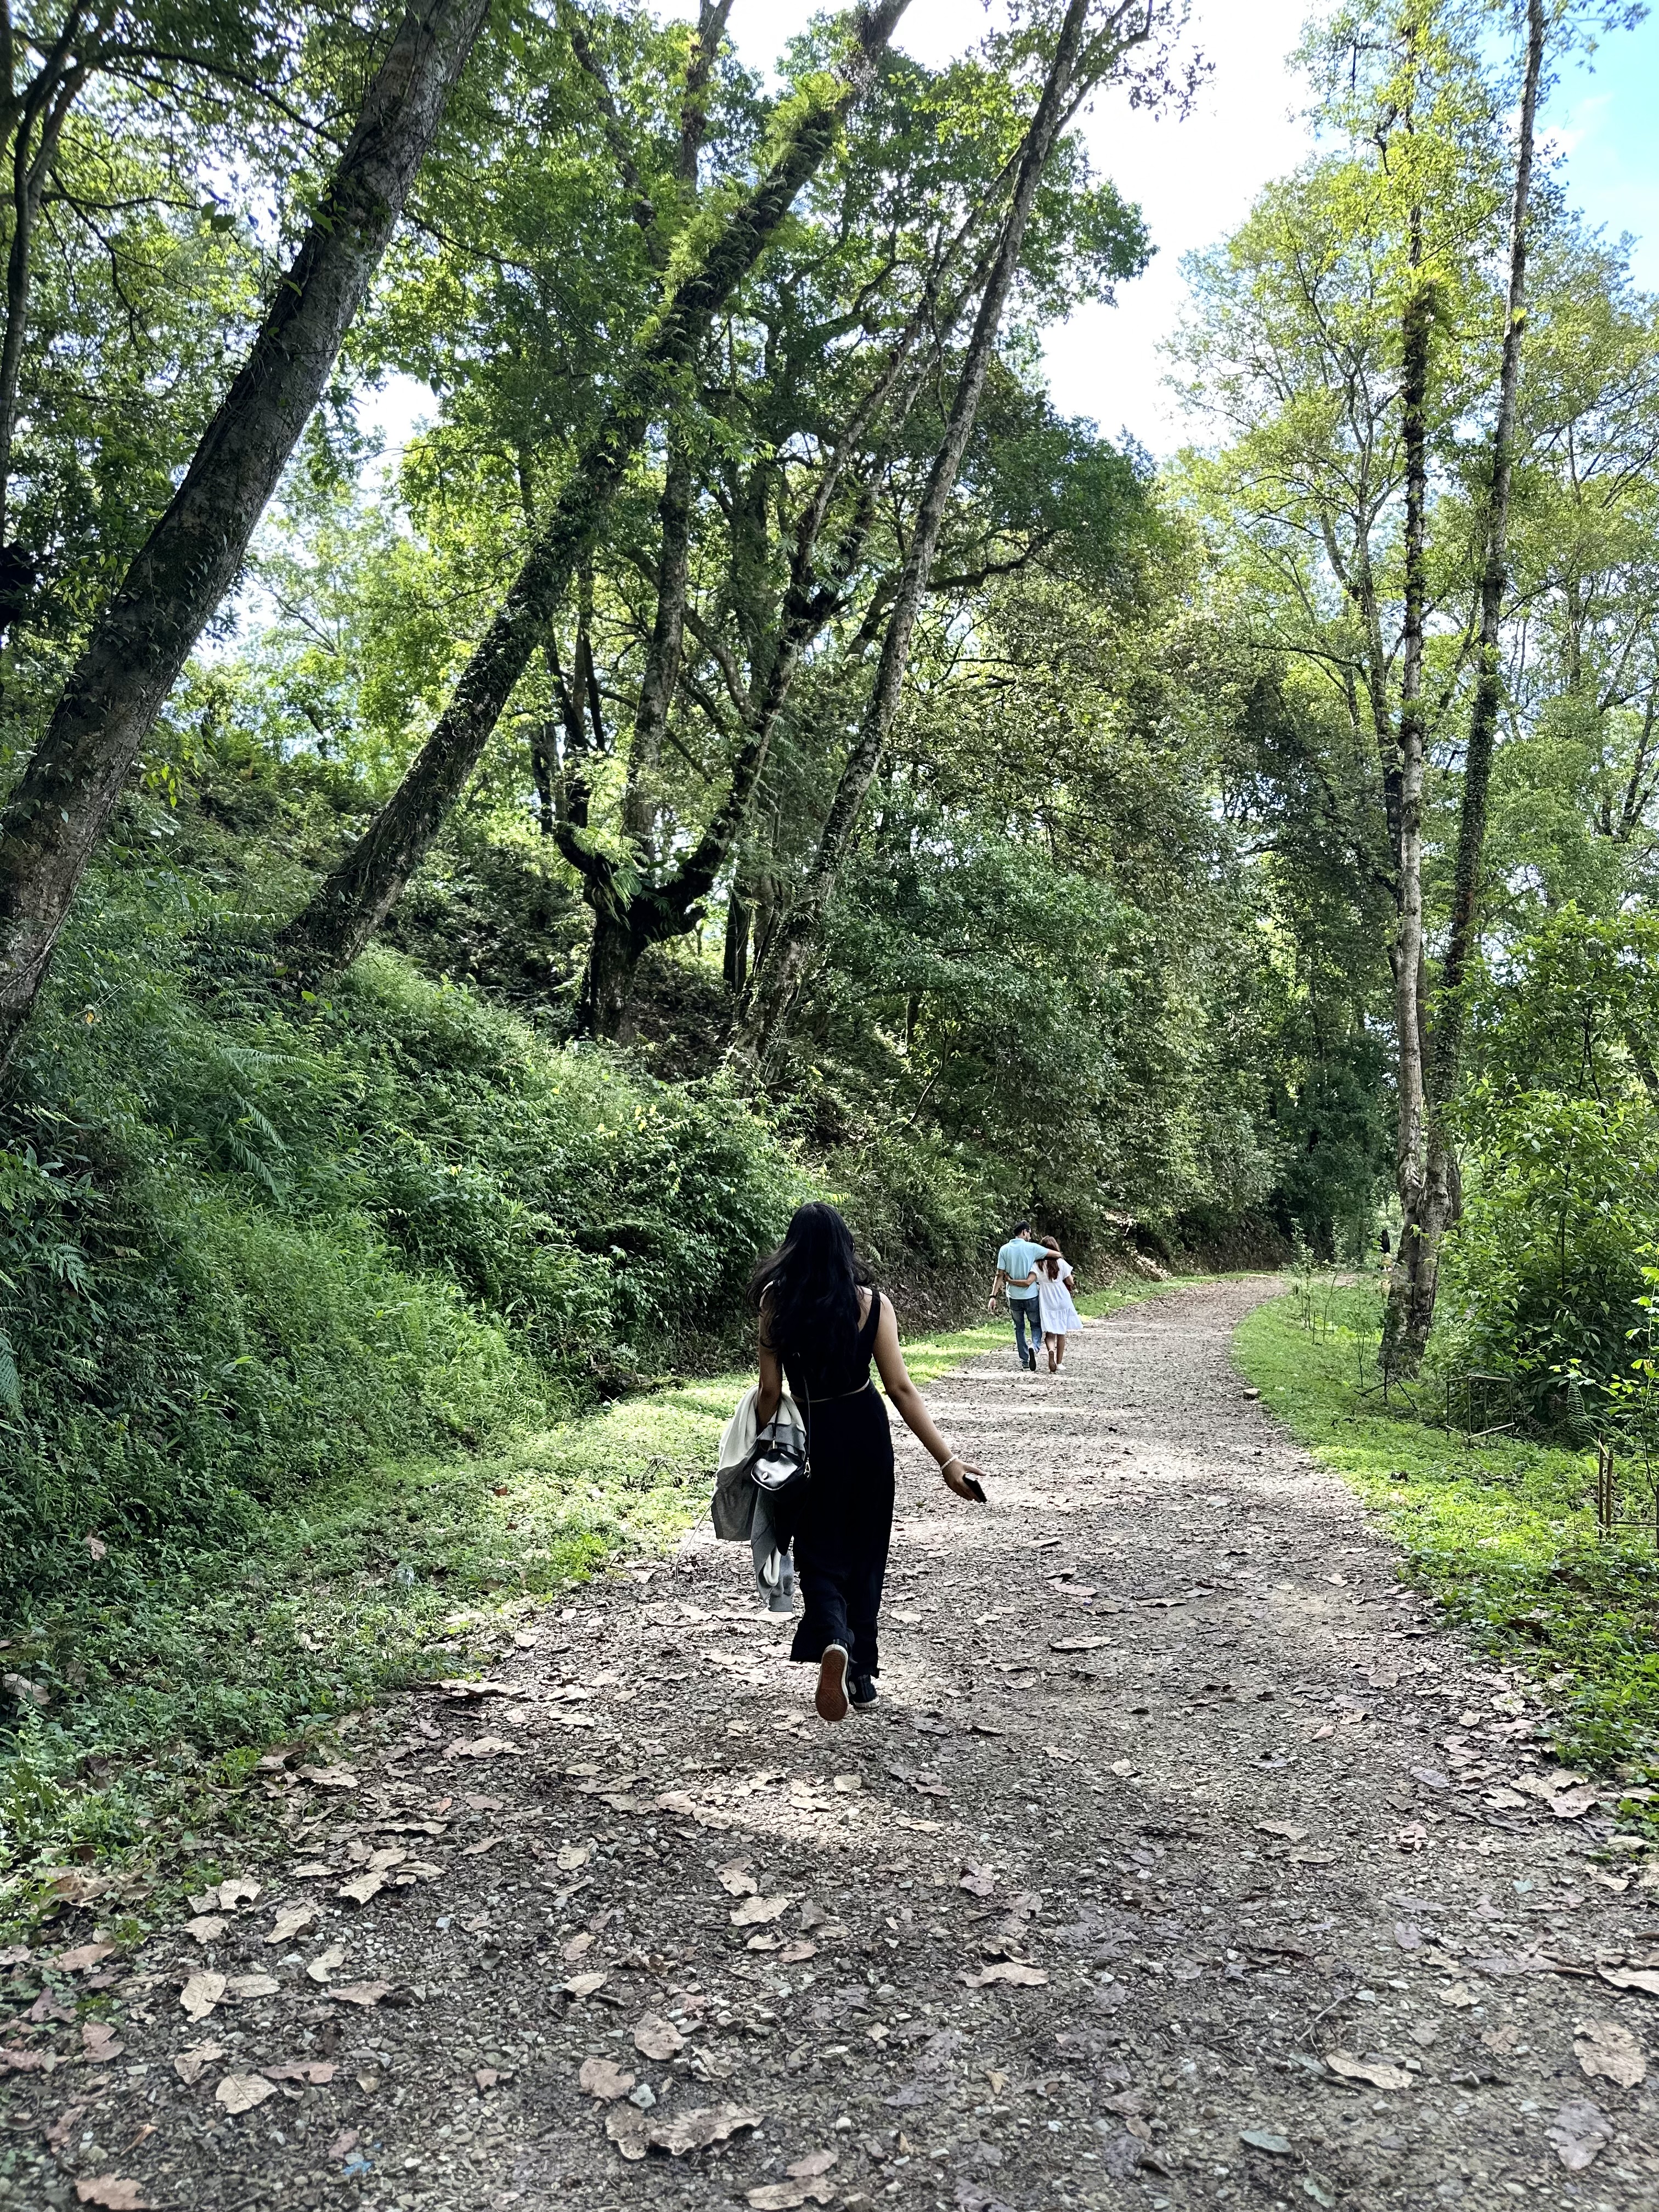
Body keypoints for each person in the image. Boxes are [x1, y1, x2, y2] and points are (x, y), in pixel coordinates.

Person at [753, 1202, 988, 1723]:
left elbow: (770, 1391)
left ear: (792, 1247)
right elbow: (900, 1388)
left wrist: (758, 1440)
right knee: (865, 1550)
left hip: (813, 1437)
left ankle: (833, 1637)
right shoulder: (873, 1304)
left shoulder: (776, 1302)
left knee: (816, 1550)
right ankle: (859, 1673)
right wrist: (947, 1460)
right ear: (844, 1248)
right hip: (866, 1432)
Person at [988, 1216, 1047, 1370]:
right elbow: (1055, 1254)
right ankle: (1035, 1347)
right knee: (1035, 1325)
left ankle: (1025, 1361)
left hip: (1013, 1296)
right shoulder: (1032, 1248)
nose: (1031, 1236)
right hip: (1031, 1295)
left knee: (1019, 1327)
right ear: (1024, 1232)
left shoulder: (1004, 1249)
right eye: (1030, 1233)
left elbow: (999, 1274)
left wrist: (993, 1296)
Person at [1035, 1235, 1081, 1373]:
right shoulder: (1061, 1263)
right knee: (1062, 1333)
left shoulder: (1038, 1264)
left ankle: (1050, 1351)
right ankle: (1060, 1363)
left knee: (1050, 1333)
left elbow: (1032, 1278)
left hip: (1046, 1299)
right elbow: (1070, 1281)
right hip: (1062, 1297)